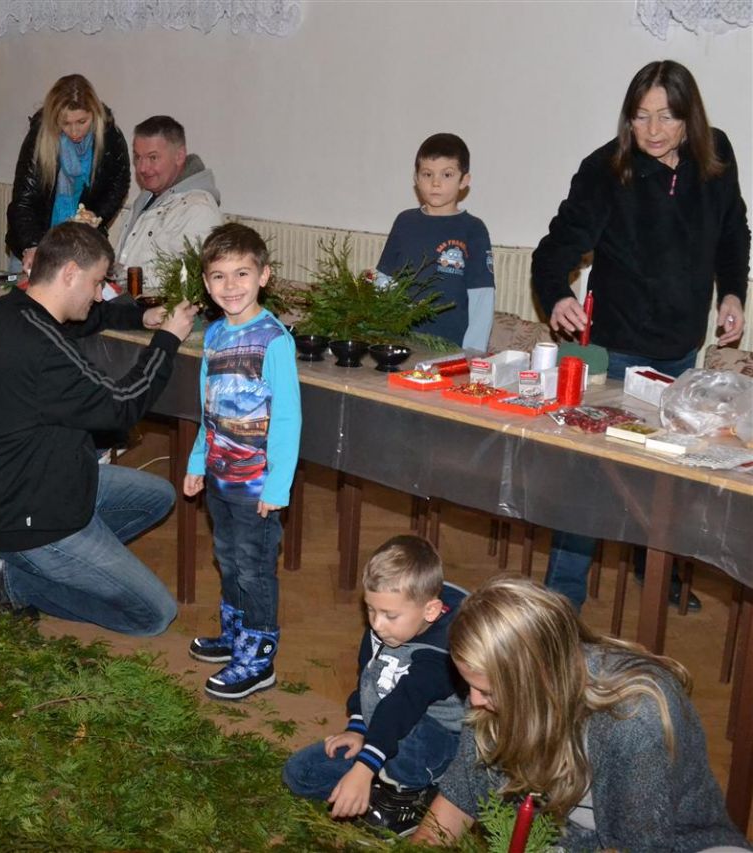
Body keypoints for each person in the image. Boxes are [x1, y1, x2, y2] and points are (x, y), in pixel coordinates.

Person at [531, 60, 750, 613]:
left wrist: (732, 294)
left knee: (667, 475)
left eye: (667, 117)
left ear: (689, 118)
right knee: (591, 475)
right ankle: (563, 599)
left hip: (680, 348)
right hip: (618, 348)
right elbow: (556, 247)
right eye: (641, 116)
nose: (653, 130)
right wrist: (556, 294)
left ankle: (657, 574)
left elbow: (734, 232)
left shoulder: (717, 157)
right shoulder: (606, 169)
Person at [0, 222, 197, 634]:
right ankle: (16, 580)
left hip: (40, 485)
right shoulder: (44, 350)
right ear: (70, 273)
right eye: (97, 283)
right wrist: (166, 340)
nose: (98, 294)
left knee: (159, 496)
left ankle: (74, 560)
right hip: (30, 518)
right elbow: (122, 405)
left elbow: (84, 320)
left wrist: (140, 315)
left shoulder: (11, 310)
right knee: (154, 615)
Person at [411, 576, 748, 850]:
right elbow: (460, 796)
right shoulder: (495, 695)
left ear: (538, 678)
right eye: (470, 686)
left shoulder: (634, 719)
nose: (474, 701)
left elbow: (640, 845)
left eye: (487, 692)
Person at [183, 223, 300, 700]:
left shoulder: (274, 341)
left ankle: (259, 654)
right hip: (220, 477)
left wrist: (277, 486)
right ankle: (236, 636)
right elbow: (207, 409)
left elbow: (288, 418)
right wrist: (198, 461)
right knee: (228, 559)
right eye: (219, 276)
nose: (230, 286)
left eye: (242, 273)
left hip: (257, 486)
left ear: (263, 276)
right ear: (206, 282)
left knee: (254, 568)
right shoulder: (213, 334)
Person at [283, 536, 466, 838]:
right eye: (370, 610)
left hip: (433, 740)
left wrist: (363, 768)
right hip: (383, 729)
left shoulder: (441, 653)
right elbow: (370, 677)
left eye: (389, 615)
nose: (377, 624)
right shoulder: (388, 626)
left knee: (414, 739)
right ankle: (384, 780)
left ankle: (413, 797)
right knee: (300, 774)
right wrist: (357, 728)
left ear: (430, 611)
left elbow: (401, 708)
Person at [376, 133, 495, 352]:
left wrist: (472, 353)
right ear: (416, 178)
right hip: (399, 342)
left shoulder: (473, 229)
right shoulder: (404, 221)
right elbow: (384, 279)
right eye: (427, 174)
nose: (436, 183)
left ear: (464, 180)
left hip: (449, 348)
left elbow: (482, 297)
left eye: (447, 174)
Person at [5, 75, 130, 273]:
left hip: (83, 245)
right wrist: (31, 245)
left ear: (94, 114)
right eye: (65, 123)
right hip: (35, 242)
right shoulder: (39, 138)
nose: (74, 131)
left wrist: (96, 215)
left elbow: (118, 184)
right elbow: (23, 200)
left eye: (82, 121)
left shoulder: (109, 137)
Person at [114, 115, 223, 293]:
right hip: (127, 304)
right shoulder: (145, 199)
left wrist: (123, 277)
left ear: (179, 156)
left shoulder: (199, 209)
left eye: (153, 157)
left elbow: (190, 280)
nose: (142, 168)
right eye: (138, 157)